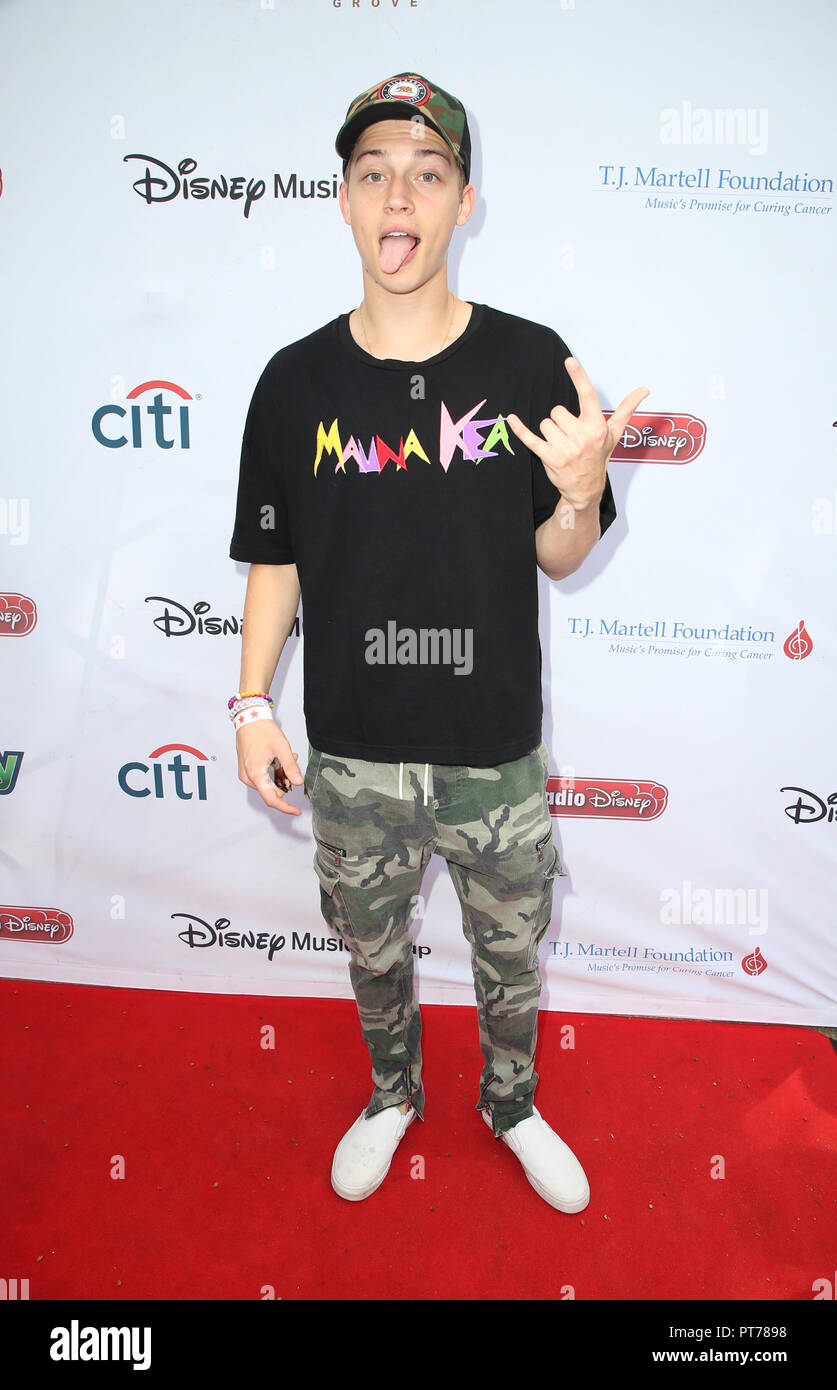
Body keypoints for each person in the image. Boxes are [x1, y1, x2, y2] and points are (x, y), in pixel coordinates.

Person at [229, 71, 648, 1213]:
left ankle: (510, 1101)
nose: (398, 197)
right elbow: (278, 558)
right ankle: (391, 1092)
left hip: (494, 750)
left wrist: (576, 493)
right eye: (374, 175)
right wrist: (252, 701)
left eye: (426, 173)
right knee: (372, 953)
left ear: (464, 200)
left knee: (511, 958)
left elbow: (562, 553)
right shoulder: (293, 381)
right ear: (345, 199)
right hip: (355, 751)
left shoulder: (526, 362)